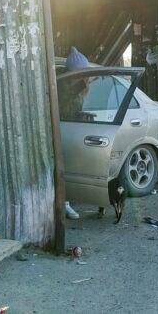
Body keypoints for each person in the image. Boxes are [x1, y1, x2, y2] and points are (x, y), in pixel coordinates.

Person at [62, 47, 89, 220]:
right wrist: (82, 85)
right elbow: (63, 101)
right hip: (63, 131)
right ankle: (64, 203)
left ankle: (66, 201)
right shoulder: (63, 84)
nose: (84, 77)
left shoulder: (79, 87)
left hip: (72, 130)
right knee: (63, 167)